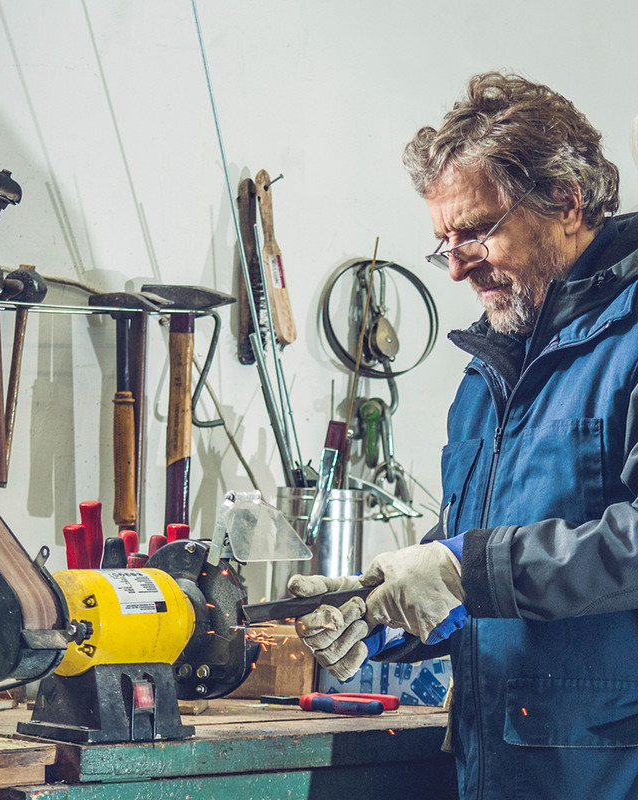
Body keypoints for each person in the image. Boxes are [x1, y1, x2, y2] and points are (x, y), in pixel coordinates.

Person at [289, 71, 638, 800]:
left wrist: (461, 568)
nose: (454, 266)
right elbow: (471, 551)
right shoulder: (489, 369)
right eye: (442, 241)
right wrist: (380, 607)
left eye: (475, 231)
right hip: (496, 770)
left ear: (568, 201)